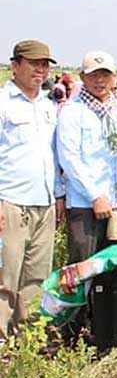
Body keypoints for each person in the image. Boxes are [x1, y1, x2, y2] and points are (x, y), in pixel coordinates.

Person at [56, 51, 117, 264]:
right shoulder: (72, 111)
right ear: (83, 77)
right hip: (85, 206)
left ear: (114, 78)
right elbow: (69, 158)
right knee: (83, 269)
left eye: (105, 74)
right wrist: (95, 195)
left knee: (113, 274)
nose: (100, 80)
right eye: (93, 75)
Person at [0, 40, 61, 340]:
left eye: (46, 64)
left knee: (37, 276)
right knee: (5, 276)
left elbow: (54, 156)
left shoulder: (49, 107)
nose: (41, 70)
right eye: (35, 63)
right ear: (15, 65)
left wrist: (58, 197)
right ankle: (1, 337)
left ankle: (27, 340)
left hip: (44, 202)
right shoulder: (3, 103)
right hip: (10, 203)